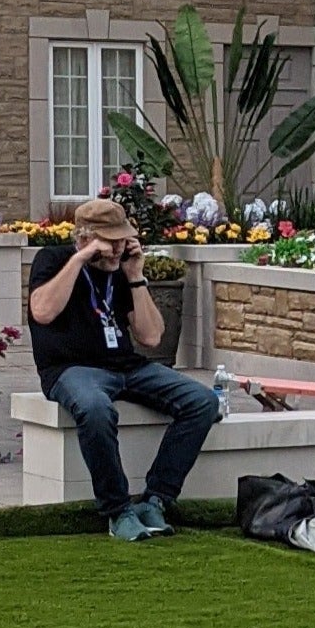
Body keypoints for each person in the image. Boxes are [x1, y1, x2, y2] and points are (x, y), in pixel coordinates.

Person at [27, 197, 221, 540]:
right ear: (86, 238)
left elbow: (151, 335)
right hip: (72, 369)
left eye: (123, 239)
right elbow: (42, 312)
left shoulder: (121, 271)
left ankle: (156, 499)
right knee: (95, 408)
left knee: (202, 401)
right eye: (111, 241)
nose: (118, 248)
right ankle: (117, 511)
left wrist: (135, 276)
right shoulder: (54, 260)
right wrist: (81, 259)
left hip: (127, 366)